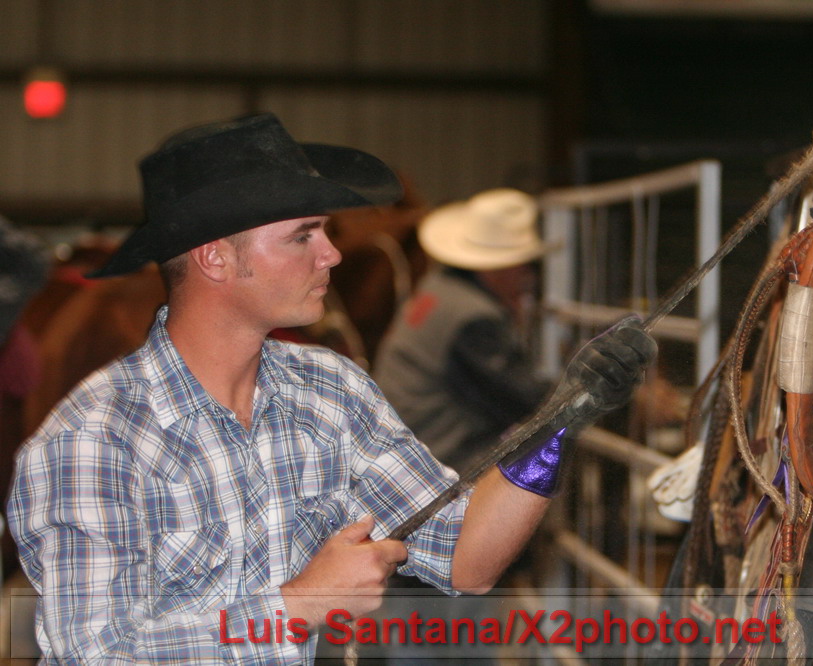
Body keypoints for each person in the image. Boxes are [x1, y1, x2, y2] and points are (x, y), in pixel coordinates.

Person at [7, 113, 656, 663]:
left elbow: (466, 557)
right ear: (216, 257)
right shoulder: (92, 441)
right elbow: (97, 651)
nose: (333, 254)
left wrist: (562, 419)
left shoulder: (329, 391)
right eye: (302, 236)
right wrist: (299, 605)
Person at [373, 188, 553, 473]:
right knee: (541, 456)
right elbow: (523, 399)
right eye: (524, 266)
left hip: (408, 446)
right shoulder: (474, 319)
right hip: (441, 460)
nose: (527, 279)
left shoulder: (438, 288)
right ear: (497, 268)